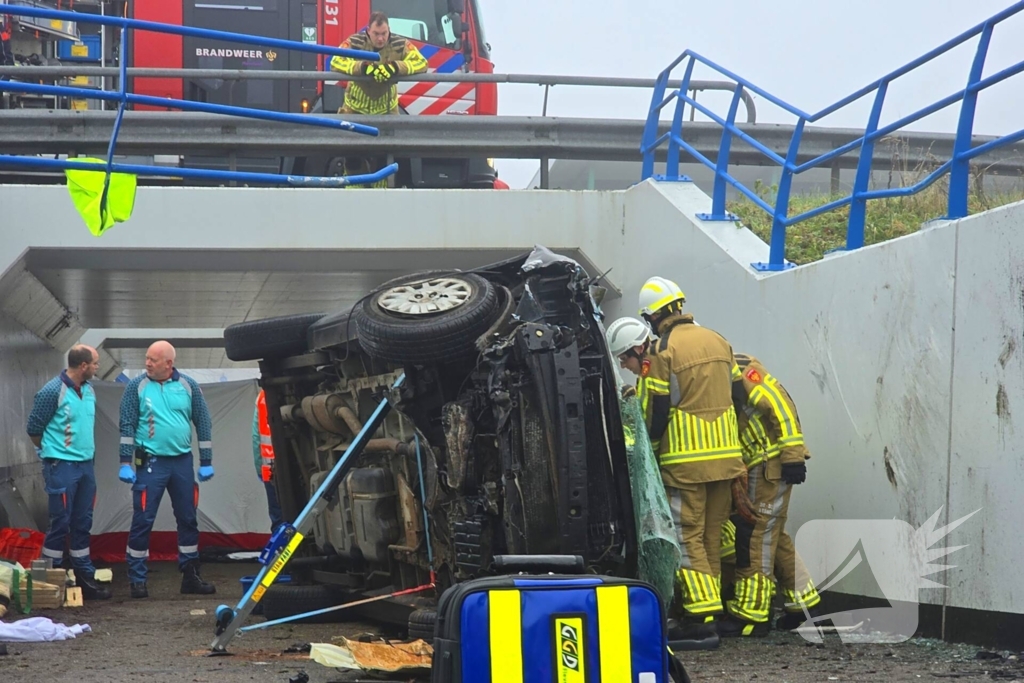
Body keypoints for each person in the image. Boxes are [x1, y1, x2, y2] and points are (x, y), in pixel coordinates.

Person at [638, 276, 746, 645]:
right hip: (726, 460)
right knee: (711, 537)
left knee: (686, 538)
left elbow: (655, 408)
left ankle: (699, 619)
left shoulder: (662, 348)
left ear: (653, 316)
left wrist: (649, 449)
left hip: (686, 463)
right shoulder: (718, 339)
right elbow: (736, 395)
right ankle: (710, 608)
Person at [717, 352, 821, 636]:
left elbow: (780, 406)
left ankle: (752, 615)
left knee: (755, 537)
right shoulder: (720, 373)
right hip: (763, 465)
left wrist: (792, 456)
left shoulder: (739, 370)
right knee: (774, 535)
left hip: (769, 465)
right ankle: (803, 603)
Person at [118, 341, 216, 598]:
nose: (147, 363)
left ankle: (190, 575)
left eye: (153, 359)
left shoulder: (188, 386)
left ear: (168, 364)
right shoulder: (136, 387)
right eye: (146, 358)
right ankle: (137, 579)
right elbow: (127, 424)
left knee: (188, 519)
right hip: (150, 463)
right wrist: (125, 462)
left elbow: (203, 422)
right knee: (143, 519)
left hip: (182, 462)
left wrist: (206, 461)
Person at [26, 345, 111, 601]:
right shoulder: (53, 391)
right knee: (60, 522)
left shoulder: (88, 390)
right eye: (95, 363)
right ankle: (46, 579)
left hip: (85, 466)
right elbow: (34, 428)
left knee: (83, 521)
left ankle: (83, 574)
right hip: (61, 466)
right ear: (83, 365)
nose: (98, 367)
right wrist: (49, 450)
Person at [328, 11, 428, 186]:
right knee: (352, 159)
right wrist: (361, 68)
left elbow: (422, 63)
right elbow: (335, 61)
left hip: (386, 111)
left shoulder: (399, 44)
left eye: (384, 33)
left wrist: (396, 67)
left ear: (389, 30)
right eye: (376, 34)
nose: (381, 38)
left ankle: (381, 197)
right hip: (355, 109)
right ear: (368, 31)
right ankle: (354, 196)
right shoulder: (355, 42)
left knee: (383, 161)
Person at [253, 388, 284, 534]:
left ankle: (282, 548)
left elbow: (256, 437)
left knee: (277, 513)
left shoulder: (262, 397)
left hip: (269, 467)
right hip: (293, 464)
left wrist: (259, 468)